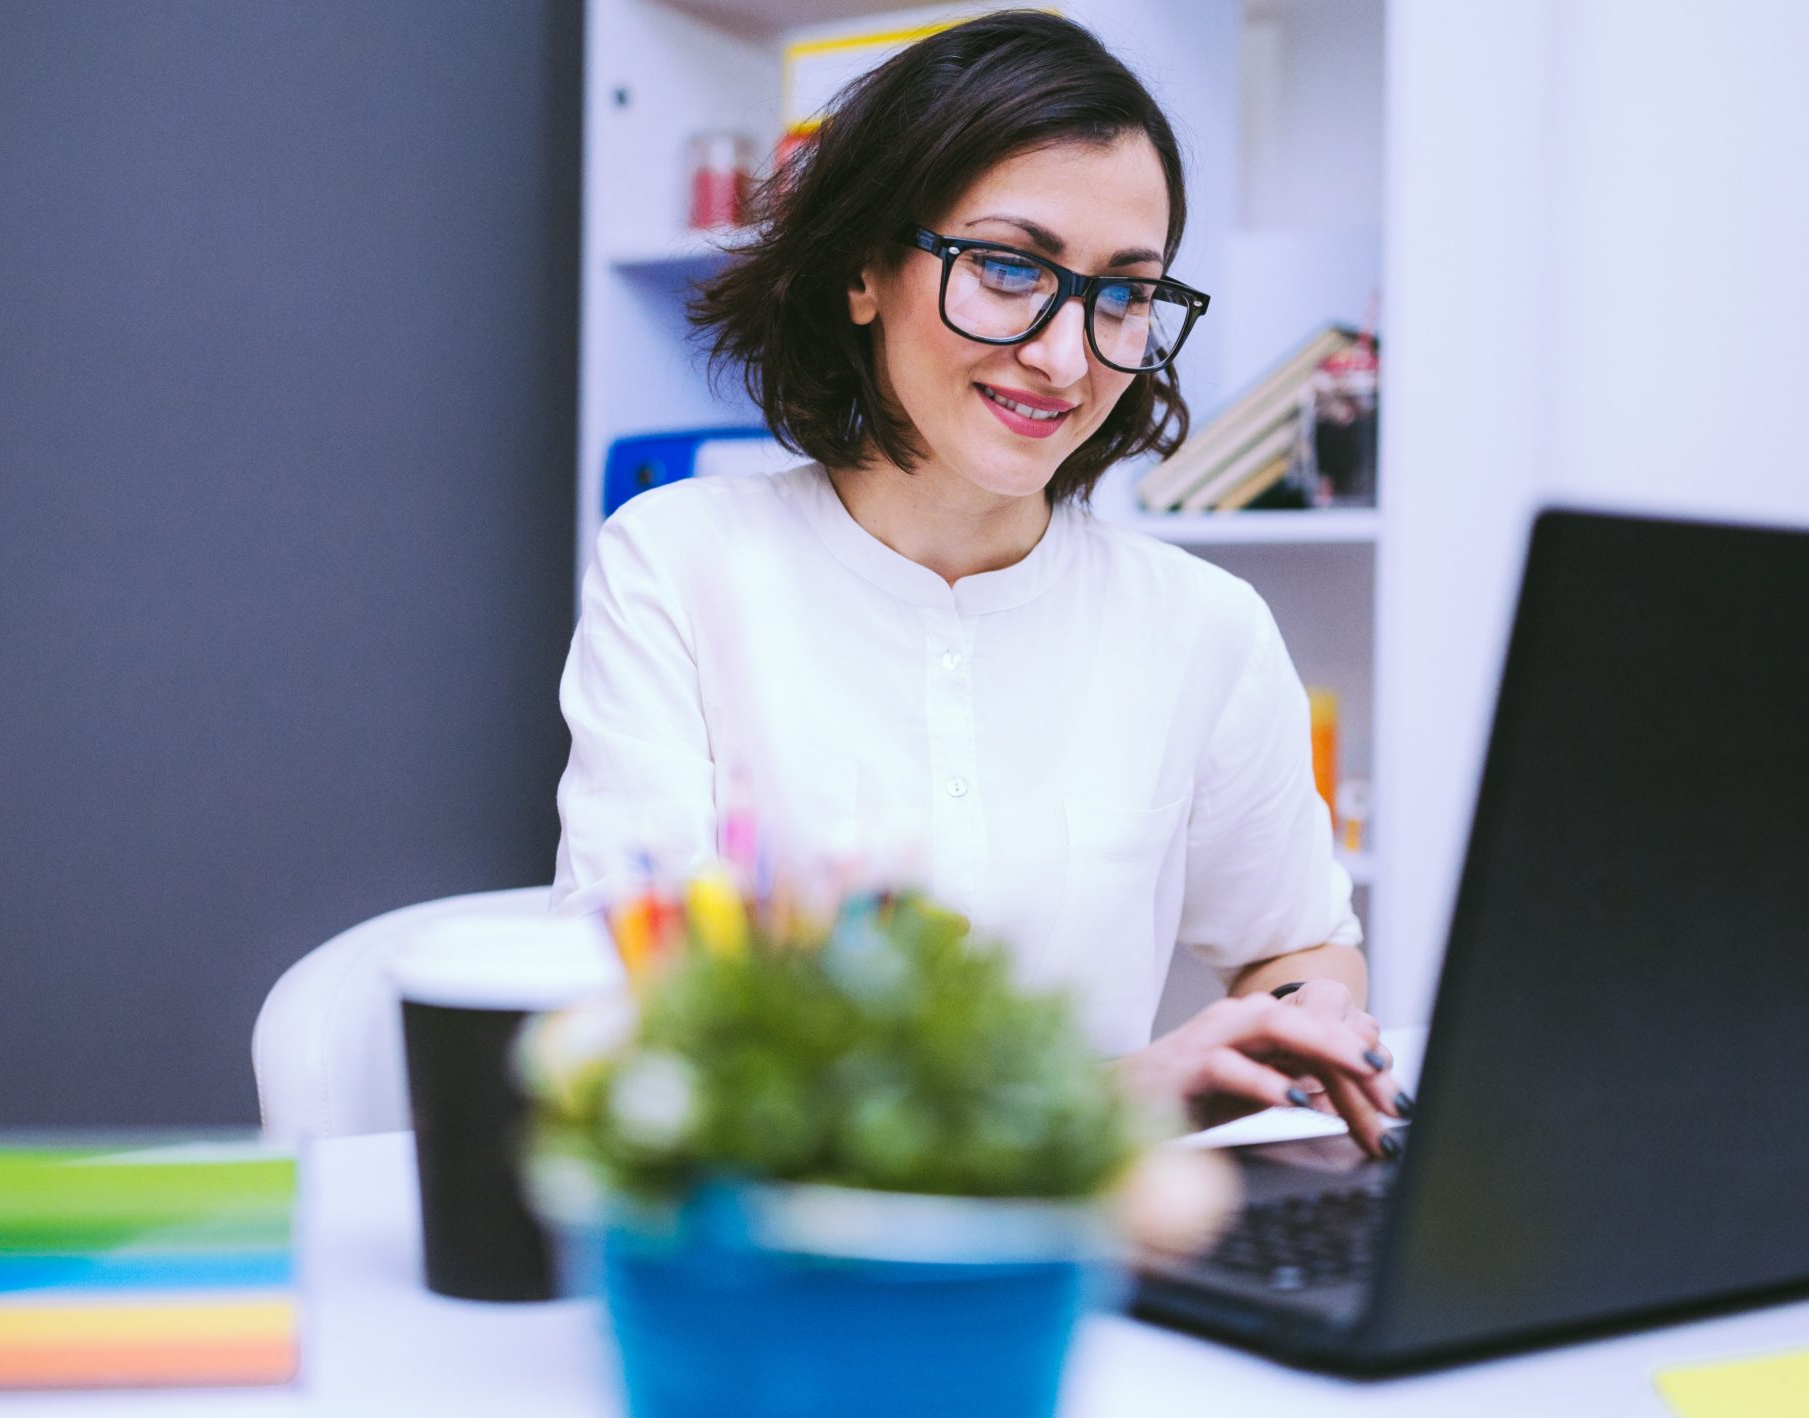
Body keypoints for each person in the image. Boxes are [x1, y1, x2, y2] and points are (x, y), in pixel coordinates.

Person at [544, 10, 1402, 1155]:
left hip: (1089, 1267)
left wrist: (1304, 1031)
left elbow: (1297, 943)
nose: (1064, 355)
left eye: (1121, 294)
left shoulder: (1202, 627)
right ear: (863, 270)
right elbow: (665, 1031)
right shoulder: (678, 564)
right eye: (1006, 268)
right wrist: (1118, 1100)